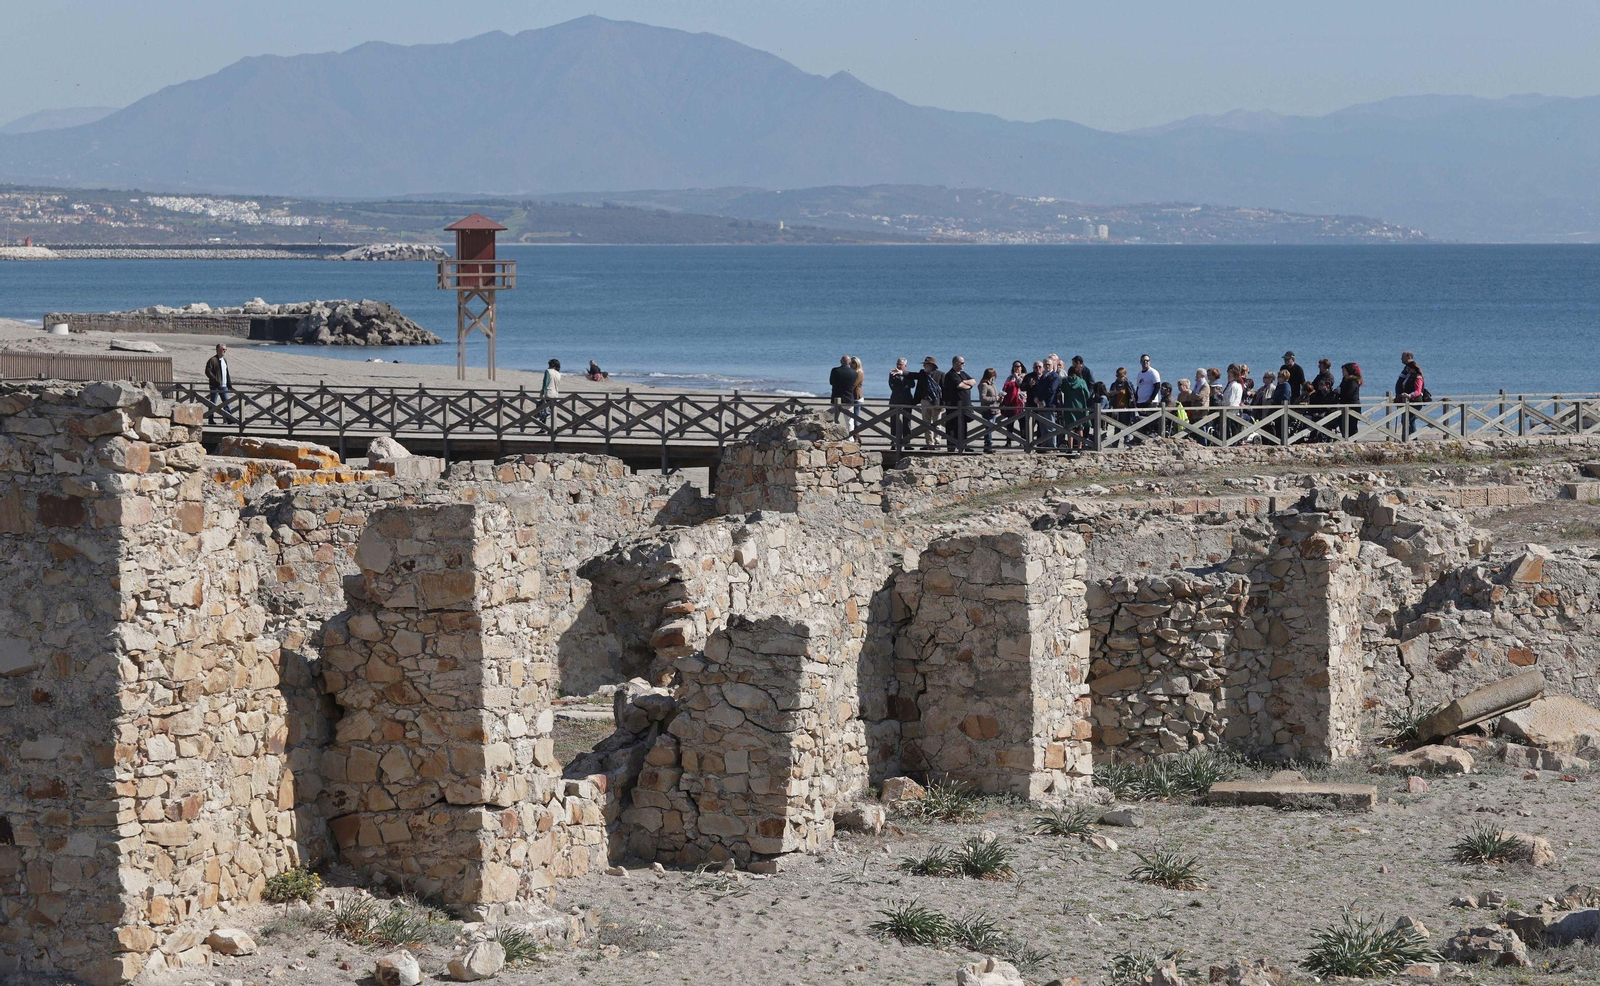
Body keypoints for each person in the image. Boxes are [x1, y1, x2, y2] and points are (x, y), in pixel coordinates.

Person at [942, 355, 976, 452]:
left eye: (964, 362)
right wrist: (966, 385)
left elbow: (973, 381)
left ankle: (963, 445)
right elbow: (960, 386)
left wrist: (965, 382)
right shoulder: (950, 374)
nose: (963, 364)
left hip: (965, 406)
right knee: (952, 426)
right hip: (954, 406)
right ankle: (951, 447)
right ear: (955, 363)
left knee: (963, 426)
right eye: (961, 363)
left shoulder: (963, 374)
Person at [887, 357, 917, 449]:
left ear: (905, 366)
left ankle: (907, 443)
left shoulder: (908, 374)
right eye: (898, 364)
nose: (899, 366)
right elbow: (892, 385)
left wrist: (904, 384)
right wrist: (904, 387)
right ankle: (894, 442)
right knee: (894, 421)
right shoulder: (892, 373)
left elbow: (912, 385)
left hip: (907, 399)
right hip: (895, 399)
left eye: (901, 364)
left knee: (907, 421)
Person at [1059, 364, 1092, 449]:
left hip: (1068, 406)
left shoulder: (1065, 381)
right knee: (1080, 428)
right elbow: (1087, 394)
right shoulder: (1082, 381)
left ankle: (1070, 447)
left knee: (1070, 428)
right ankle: (1079, 447)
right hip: (1080, 407)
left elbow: (1062, 390)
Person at [914, 356, 943, 448]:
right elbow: (912, 375)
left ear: (932, 365)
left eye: (926, 364)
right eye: (924, 364)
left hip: (936, 402)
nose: (924, 366)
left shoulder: (940, 374)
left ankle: (937, 443)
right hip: (925, 401)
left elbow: (945, 390)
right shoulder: (922, 374)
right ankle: (929, 443)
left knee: (937, 423)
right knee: (926, 424)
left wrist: (943, 404)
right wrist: (902, 372)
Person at [1395, 354, 1426, 436]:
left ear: (1412, 369)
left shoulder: (1418, 377)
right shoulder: (1409, 376)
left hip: (1416, 401)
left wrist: (1409, 395)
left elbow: (1418, 391)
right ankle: (1413, 438)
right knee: (1410, 420)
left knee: (1407, 419)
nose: (1407, 370)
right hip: (1409, 401)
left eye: (1408, 369)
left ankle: (1409, 437)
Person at [204, 343, 235, 424]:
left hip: (224, 386)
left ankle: (229, 418)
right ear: (218, 350)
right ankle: (210, 419)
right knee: (213, 403)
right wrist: (215, 379)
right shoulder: (212, 360)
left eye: (225, 349)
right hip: (215, 386)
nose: (225, 351)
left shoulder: (224, 360)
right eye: (223, 349)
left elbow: (226, 373)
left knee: (226, 402)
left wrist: (229, 384)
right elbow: (208, 371)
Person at [1000, 360, 1027, 448]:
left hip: (1021, 403)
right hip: (1011, 404)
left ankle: (1023, 441)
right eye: (1014, 366)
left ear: (1021, 367)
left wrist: (1016, 376)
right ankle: (1008, 442)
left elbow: (1020, 385)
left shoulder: (1024, 376)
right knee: (1010, 424)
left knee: (1022, 424)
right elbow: (1004, 388)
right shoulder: (1009, 377)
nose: (1016, 368)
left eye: (1018, 366)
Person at [978, 367, 1000, 452]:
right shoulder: (984, 385)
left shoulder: (992, 385)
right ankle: (988, 445)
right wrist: (995, 398)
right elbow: (983, 398)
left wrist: (999, 400)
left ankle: (988, 445)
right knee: (988, 428)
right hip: (987, 409)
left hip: (994, 409)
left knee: (990, 428)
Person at [1339, 362, 1364, 439]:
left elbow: (1349, 393)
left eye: (1344, 371)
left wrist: (1340, 392)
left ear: (1348, 371)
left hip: (1353, 406)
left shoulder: (1353, 381)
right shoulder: (1344, 380)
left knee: (1352, 426)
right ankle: (1345, 439)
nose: (1342, 372)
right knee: (1342, 423)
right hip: (1344, 406)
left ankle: (1353, 441)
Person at [828, 355, 855, 423]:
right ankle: (851, 433)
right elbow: (853, 384)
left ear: (841, 362)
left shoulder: (835, 370)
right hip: (848, 398)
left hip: (836, 397)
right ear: (849, 363)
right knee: (849, 420)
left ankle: (832, 433)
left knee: (833, 419)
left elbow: (831, 382)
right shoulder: (854, 372)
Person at [536, 358, 562, 424]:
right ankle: (553, 427)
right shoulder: (558, 374)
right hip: (555, 394)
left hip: (548, 393)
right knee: (552, 412)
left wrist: (543, 393)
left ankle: (543, 427)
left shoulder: (548, 371)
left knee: (542, 410)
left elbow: (545, 383)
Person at [849, 356, 865, 433]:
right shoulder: (851, 372)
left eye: (853, 363)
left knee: (856, 419)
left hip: (857, 397)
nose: (851, 364)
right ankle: (853, 435)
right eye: (850, 362)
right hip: (851, 397)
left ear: (857, 364)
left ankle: (856, 435)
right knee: (850, 419)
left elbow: (854, 384)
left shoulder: (859, 373)